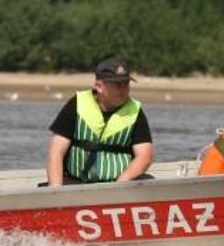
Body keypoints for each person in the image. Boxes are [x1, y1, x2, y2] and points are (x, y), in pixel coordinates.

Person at [45, 57, 153, 186]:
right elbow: (56, 151)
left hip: (119, 184)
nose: (123, 89)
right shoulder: (77, 104)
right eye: (117, 85)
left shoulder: (135, 111)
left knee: (148, 181)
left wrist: (120, 185)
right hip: (75, 183)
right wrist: (56, 191)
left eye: (126, 84)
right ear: (99, 86)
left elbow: (144, 156)